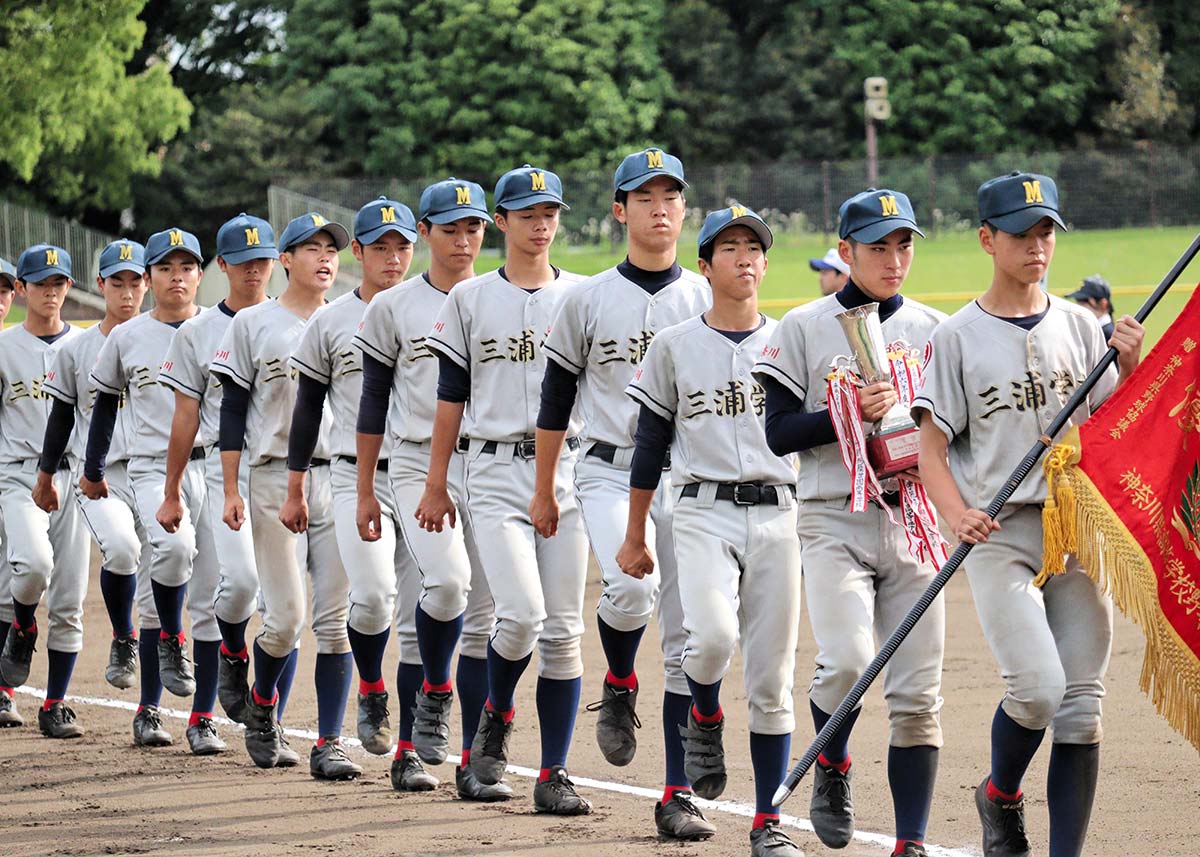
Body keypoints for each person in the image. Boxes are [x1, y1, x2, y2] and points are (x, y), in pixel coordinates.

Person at [913, 172, 1144, 857]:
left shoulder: (1082, 326)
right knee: (1039, 688)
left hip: (1074, 533)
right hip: (1000, 533)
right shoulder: (957, 336)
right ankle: (1001, 793)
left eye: (1046, 229)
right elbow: (931, 450)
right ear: (987, 239)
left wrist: (1128, 369)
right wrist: (956, 513)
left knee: (1081, 706)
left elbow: (1113, 428)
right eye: (1021, 232)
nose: (1037, 243)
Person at [754, 189, 948, 857]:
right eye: (877, 247)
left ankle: (911, 840)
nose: (894, 259)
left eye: (903, 244)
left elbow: (960, 436)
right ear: (845, 251)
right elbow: (778, 432)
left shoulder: (934, 329)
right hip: (832, 515)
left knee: (919, 692)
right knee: (846, 662)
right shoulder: (803, 326)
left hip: (914, 518)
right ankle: (832, 764)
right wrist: (845, 413)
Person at [535, 147, 715, 838]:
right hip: (607, 469)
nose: (661, 207)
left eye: (671, 195)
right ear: (620, 210)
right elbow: (555, 398)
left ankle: (676, 795)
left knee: (687, 640)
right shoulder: (587, 298)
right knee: (631, 590)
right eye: (645, 197)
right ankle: (617, 679)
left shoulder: (704, 296)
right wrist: (545, 488)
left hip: (685, 478)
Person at [620, 205, 804, 857]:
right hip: (700, 508)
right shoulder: (673, 345)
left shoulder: (791, 341)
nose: (745, 257)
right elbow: (649, 443)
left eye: (754, 246)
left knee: (772, 678)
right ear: (705, 265)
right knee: (710, 638)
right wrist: (635, 531)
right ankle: (704, 711)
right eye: (729, 247)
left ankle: (767, 820)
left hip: (781, 511)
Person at [418, 164, 593, 815]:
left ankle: (554, 771)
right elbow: (449, 398)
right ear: (502, 221)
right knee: (518, 613)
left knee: (565, 631)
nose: (541, 223)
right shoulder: (469, 299)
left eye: (549, 211)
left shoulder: (580, 296)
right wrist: (436, 484)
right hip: (491, 472)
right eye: (527, 213)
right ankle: (490, 724)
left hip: (568, 469)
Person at [354, 179, 507, 799]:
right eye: (450, 228)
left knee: (487, 618)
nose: (464, 239)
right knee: (444, 589)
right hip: (418, 464)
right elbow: (370, 403)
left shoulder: (504, 298)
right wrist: (366, 488)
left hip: (495, 467)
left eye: (473, 227)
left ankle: (468, 761)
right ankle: (430, 703)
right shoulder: (393, 306)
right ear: (427, 233)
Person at [286, 197, 435, 785]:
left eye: (402, 246)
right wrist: (297, 485)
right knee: (371, 597)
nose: (393, 257)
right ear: (360, 253)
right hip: (353, 474)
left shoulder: (438, 311)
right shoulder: (332, 319)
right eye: (380, 247)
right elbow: (307, 409)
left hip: (425, 472)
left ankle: (408, 750)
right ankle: (371, 686)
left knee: (427, 608)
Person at [213, 212, 363, 780]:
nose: (326, 258)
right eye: (311, 248)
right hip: (275, 477)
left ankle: (330, 742)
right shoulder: (254, 323)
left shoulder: (354, 319)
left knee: (336, 619)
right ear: (286, 260)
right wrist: (230, 486)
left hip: (342, 477)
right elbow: (231, 411)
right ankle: (264, 704)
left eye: (332, 249)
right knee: (284, 619)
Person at [155, 215, 299, 763]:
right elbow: (186, 416)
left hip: (290, 476)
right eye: (243, 260)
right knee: (236, 587)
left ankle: (268, 721)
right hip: (224, 472)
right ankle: (232, 658)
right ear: (223, 266)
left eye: (263, 257)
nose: (255, 268)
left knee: (289, 608)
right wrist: (171, 488)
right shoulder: (198, 332)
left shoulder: (296, 321)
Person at [83, 227, 226, 755]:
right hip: (147, 468)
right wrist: (95, 469)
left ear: (200, 272)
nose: (177, 277)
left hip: (212, 467)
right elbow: (102, 403)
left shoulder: (220, 329)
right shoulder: (128, 336)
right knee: (169, 555)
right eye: (165, 268)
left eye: (187, 267)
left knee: (214, 595)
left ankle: (202, 717)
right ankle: (162, 661)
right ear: (150, 278)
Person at [35, 240, 165, 745]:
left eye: (136, 281)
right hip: (99, 478)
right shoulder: (75, 350)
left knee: (158, 594)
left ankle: (149, 710)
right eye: (118, 281)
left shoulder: (167, 340)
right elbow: (61, 417)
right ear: (100, 284)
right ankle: (122, 636)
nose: (128, 291)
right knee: (123, 549)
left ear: (146, 284)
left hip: (156, 475)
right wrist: (47, 476)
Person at [0, 244, 87, 738]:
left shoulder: (85, 345)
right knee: (31, 565)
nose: (50, 292)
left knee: (71, 595)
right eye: (40, 284)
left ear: (68, 287)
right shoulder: (5, 347)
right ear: (23, 290)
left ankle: (55, 704)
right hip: (17, 475)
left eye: (58, 283)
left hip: (75, 479)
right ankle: (22, 628)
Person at [1066, 274, 1115, 339]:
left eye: (1083, 302)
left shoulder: (1108, 337)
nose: (1077, 307)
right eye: (1077, 301)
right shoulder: (1096, 332)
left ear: (1103, 304)